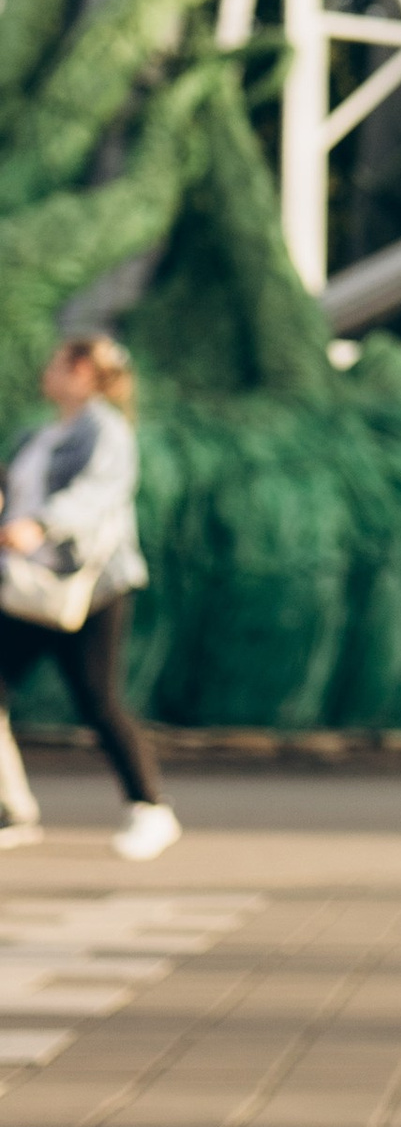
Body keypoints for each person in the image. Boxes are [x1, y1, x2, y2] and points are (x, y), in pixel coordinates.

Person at [0, 334, 179, 860]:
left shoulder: (106, 428)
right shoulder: (42, 433)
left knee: (98, 700)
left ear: (82, 371)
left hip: (86, 587)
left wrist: (41, 525)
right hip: (29, 587)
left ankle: (150, 809)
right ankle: (12, 810)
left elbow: (98, 494)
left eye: (57, 363)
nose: (47, 372)